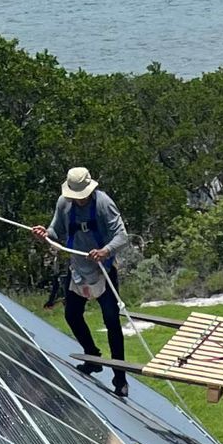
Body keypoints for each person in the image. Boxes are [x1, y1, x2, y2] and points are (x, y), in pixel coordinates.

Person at [34, 166, 131, 398]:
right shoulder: (64, 203)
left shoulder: (103, 203)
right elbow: (55, 232)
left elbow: (122, 235)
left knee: (111, 322)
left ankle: (120, 378)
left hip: (103, 270)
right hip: (78, 268)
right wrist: (44, 234)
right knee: (72, 315)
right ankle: (93, 357)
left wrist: (105, 251)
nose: (79, 199)